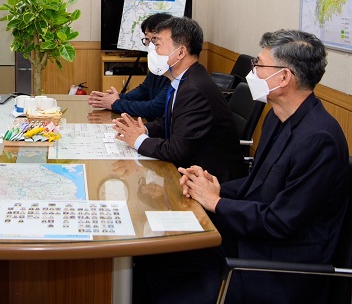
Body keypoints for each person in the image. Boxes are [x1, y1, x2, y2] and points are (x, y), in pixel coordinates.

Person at [138, 30, 350, 304]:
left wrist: (215, 202)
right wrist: (215, 187)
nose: (252, 72)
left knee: (169, 291)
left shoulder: (320, 138)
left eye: (259, 65)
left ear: (284, 77)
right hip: (249, 241)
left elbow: (280, 221)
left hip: (277, 267)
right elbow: (257, 184)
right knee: (151, 261)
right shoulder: (278, 118)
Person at [112, 16, 246, 183]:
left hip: (214, 183)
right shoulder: (186, 79)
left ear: (181, 52)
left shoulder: (193, 89)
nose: (153, 51)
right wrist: (143, 130)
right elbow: (168, 121)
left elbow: (177, 150)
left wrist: (138, 140)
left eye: (157, 44)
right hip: (192, 172)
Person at [88, 13, 172, 121]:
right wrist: (118, 97)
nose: (150, 45)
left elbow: (155, 108)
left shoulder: (175, 72)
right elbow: (144, 90)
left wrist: (116, 103)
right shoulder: (157, 66)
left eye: (155, 40)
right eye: (147, 39)